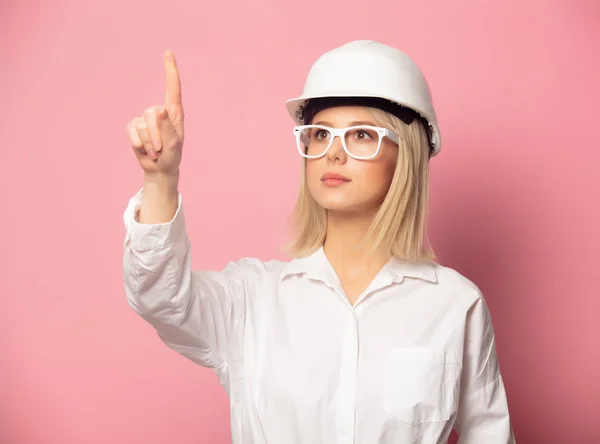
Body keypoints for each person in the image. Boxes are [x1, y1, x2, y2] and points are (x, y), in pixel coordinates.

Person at [123, 40, 515, 444]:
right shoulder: (252, 299)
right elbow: (160, 299)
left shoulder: (454, 305)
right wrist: (160, 180)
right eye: (321, 133)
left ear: (407, 154)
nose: (333, 154)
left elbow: (489, 435)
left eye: (362, 135)